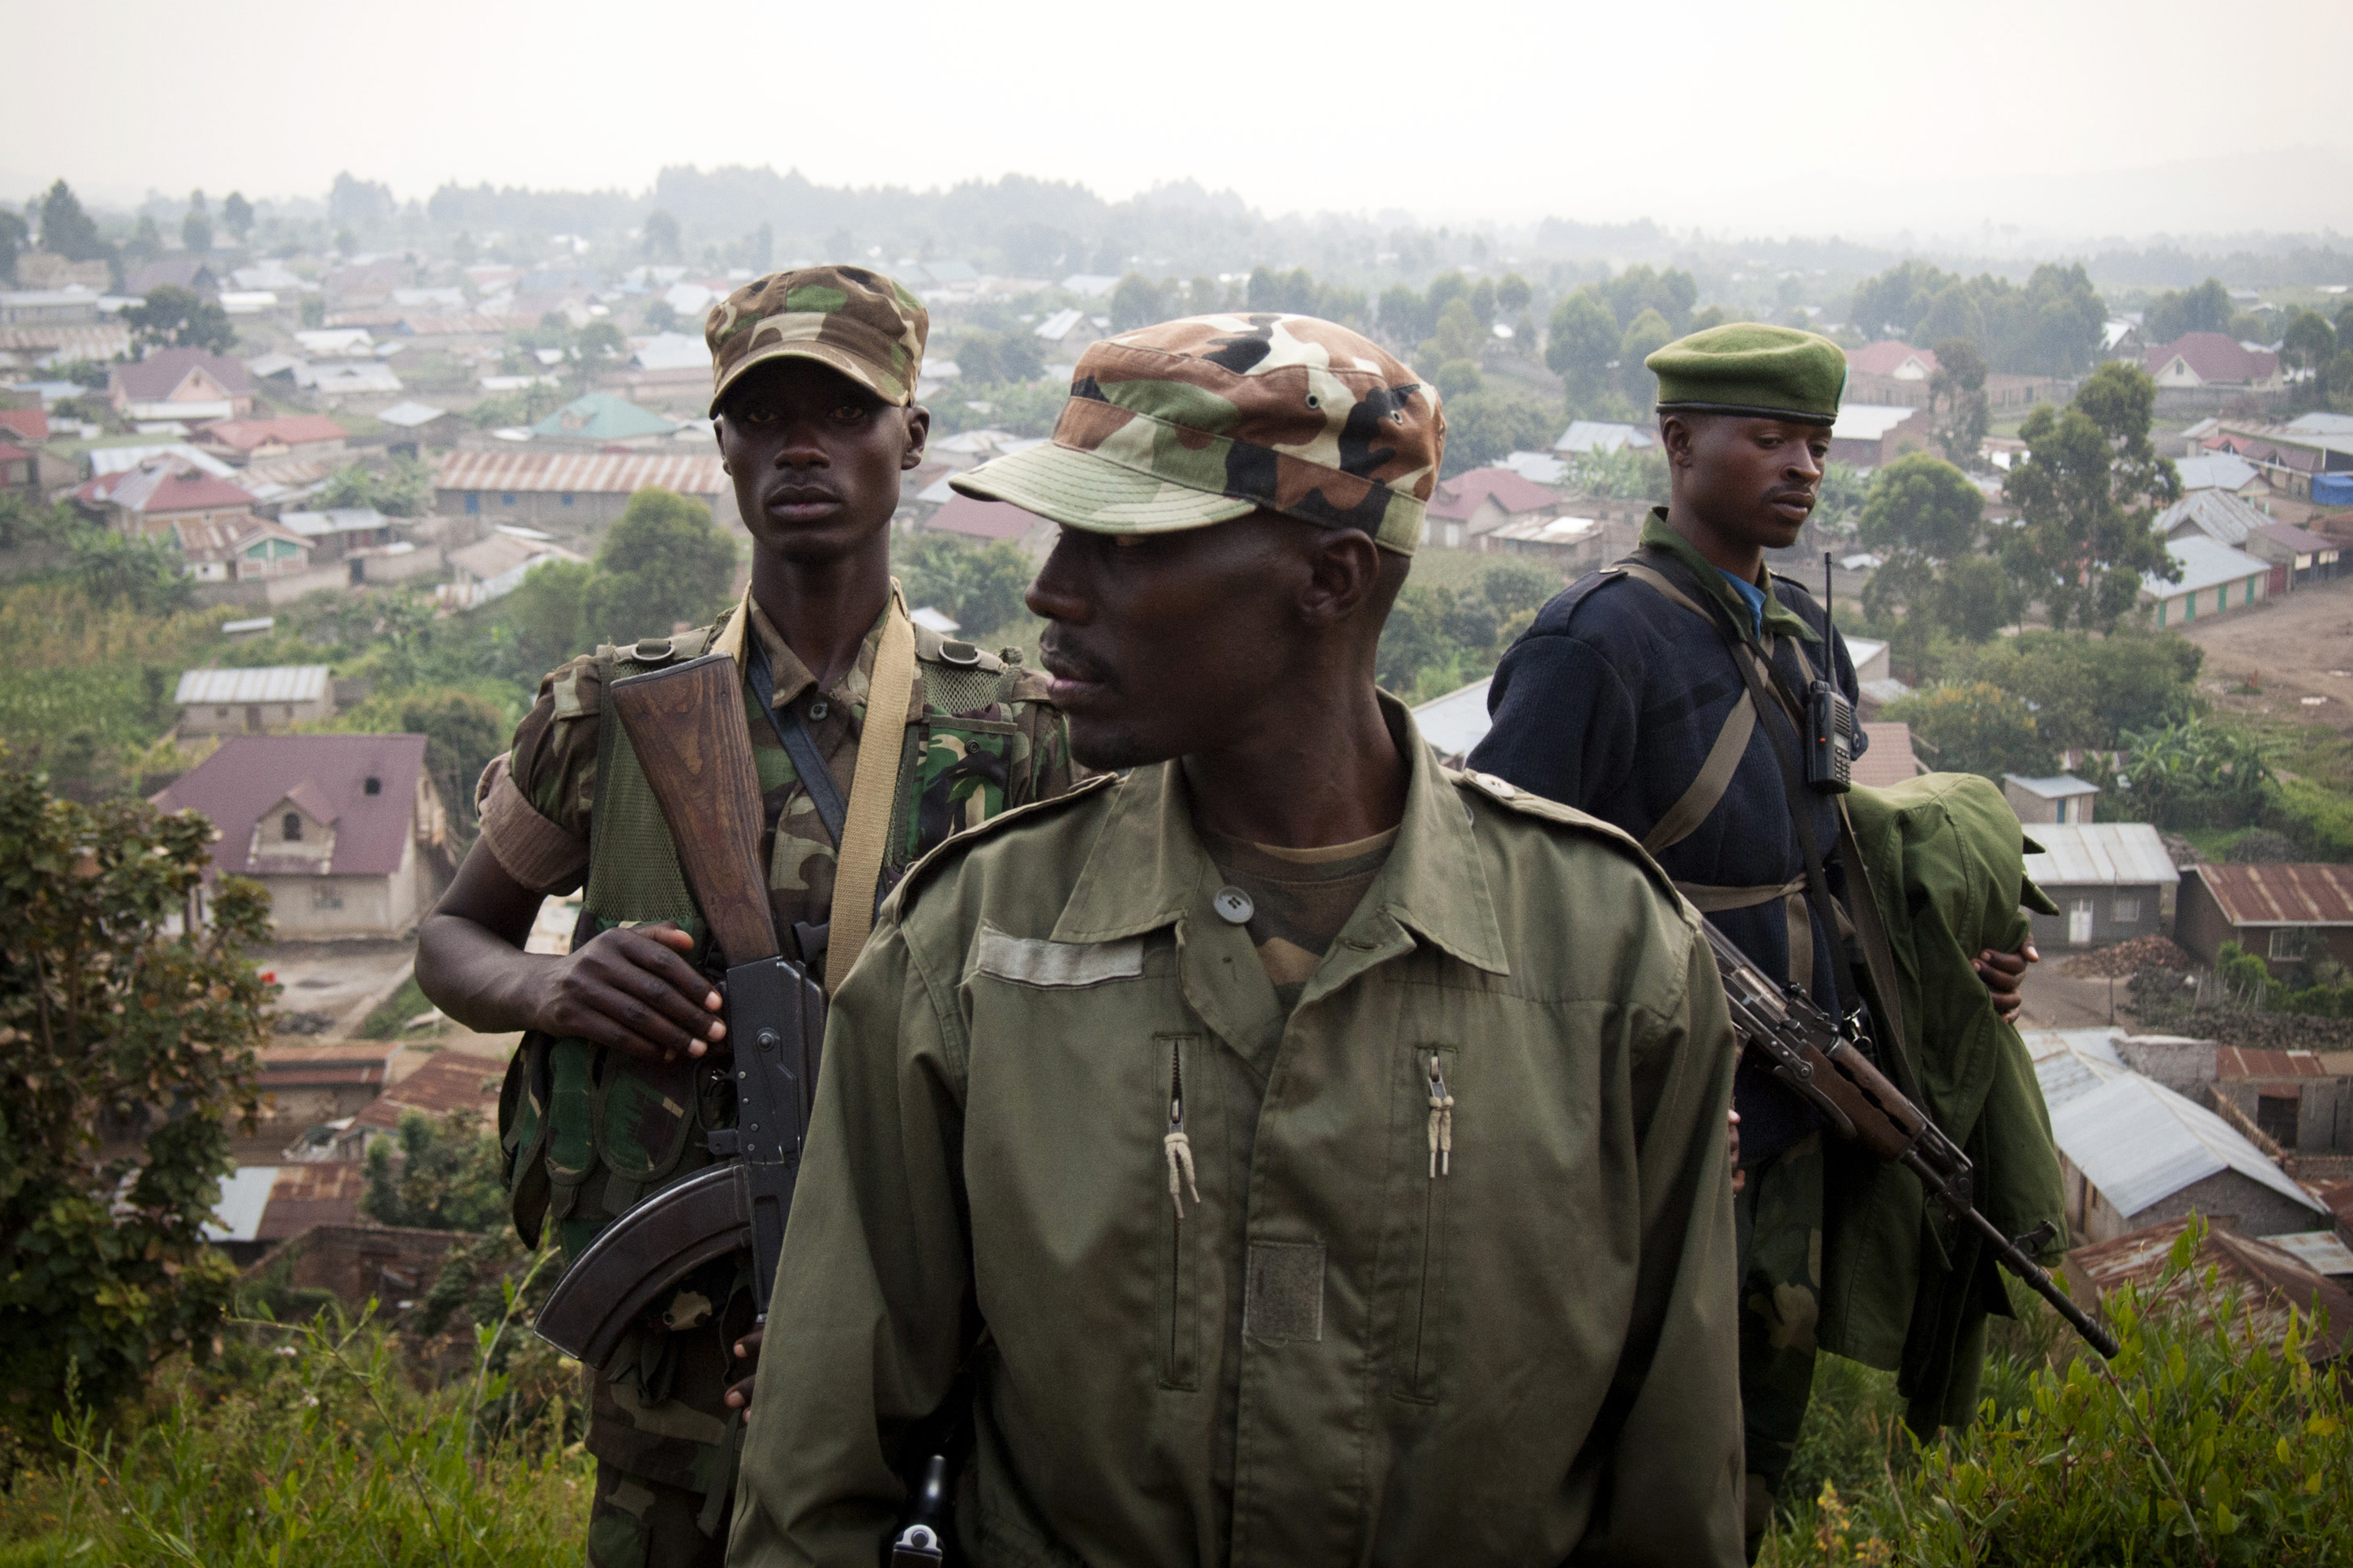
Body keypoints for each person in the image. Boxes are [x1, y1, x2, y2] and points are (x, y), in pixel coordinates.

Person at [728, 313, 1747, 1566]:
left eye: (1120, 542)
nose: (1050, 589)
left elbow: (1675, 1486)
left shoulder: (1607, 961)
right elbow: (818, 1482)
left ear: (1328, 579)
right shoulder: (978, 948)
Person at [414, 265, 1079, 1568]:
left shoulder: (1018, 737)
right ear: (720, 445)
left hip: (924, 1353)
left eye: (840, 411)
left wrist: (891, 1326)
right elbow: (451, 939)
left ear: (913, 439)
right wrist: (553, 986)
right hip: (670, 1370)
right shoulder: (607, 711)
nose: (800, 446)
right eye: (762, 417)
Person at [1467, 322, 2033, 1553]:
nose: (1802, 468)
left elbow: (1834, 870)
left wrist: (1957, 972)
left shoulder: (1798, 638)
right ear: (1677, 443)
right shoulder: (1591, 644)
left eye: (1816, 445)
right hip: (1645, 1150)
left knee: (1747, 1460)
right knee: (1620, 1460)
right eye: (1768, 438)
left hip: (1792, 1134)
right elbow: (1495, 899)